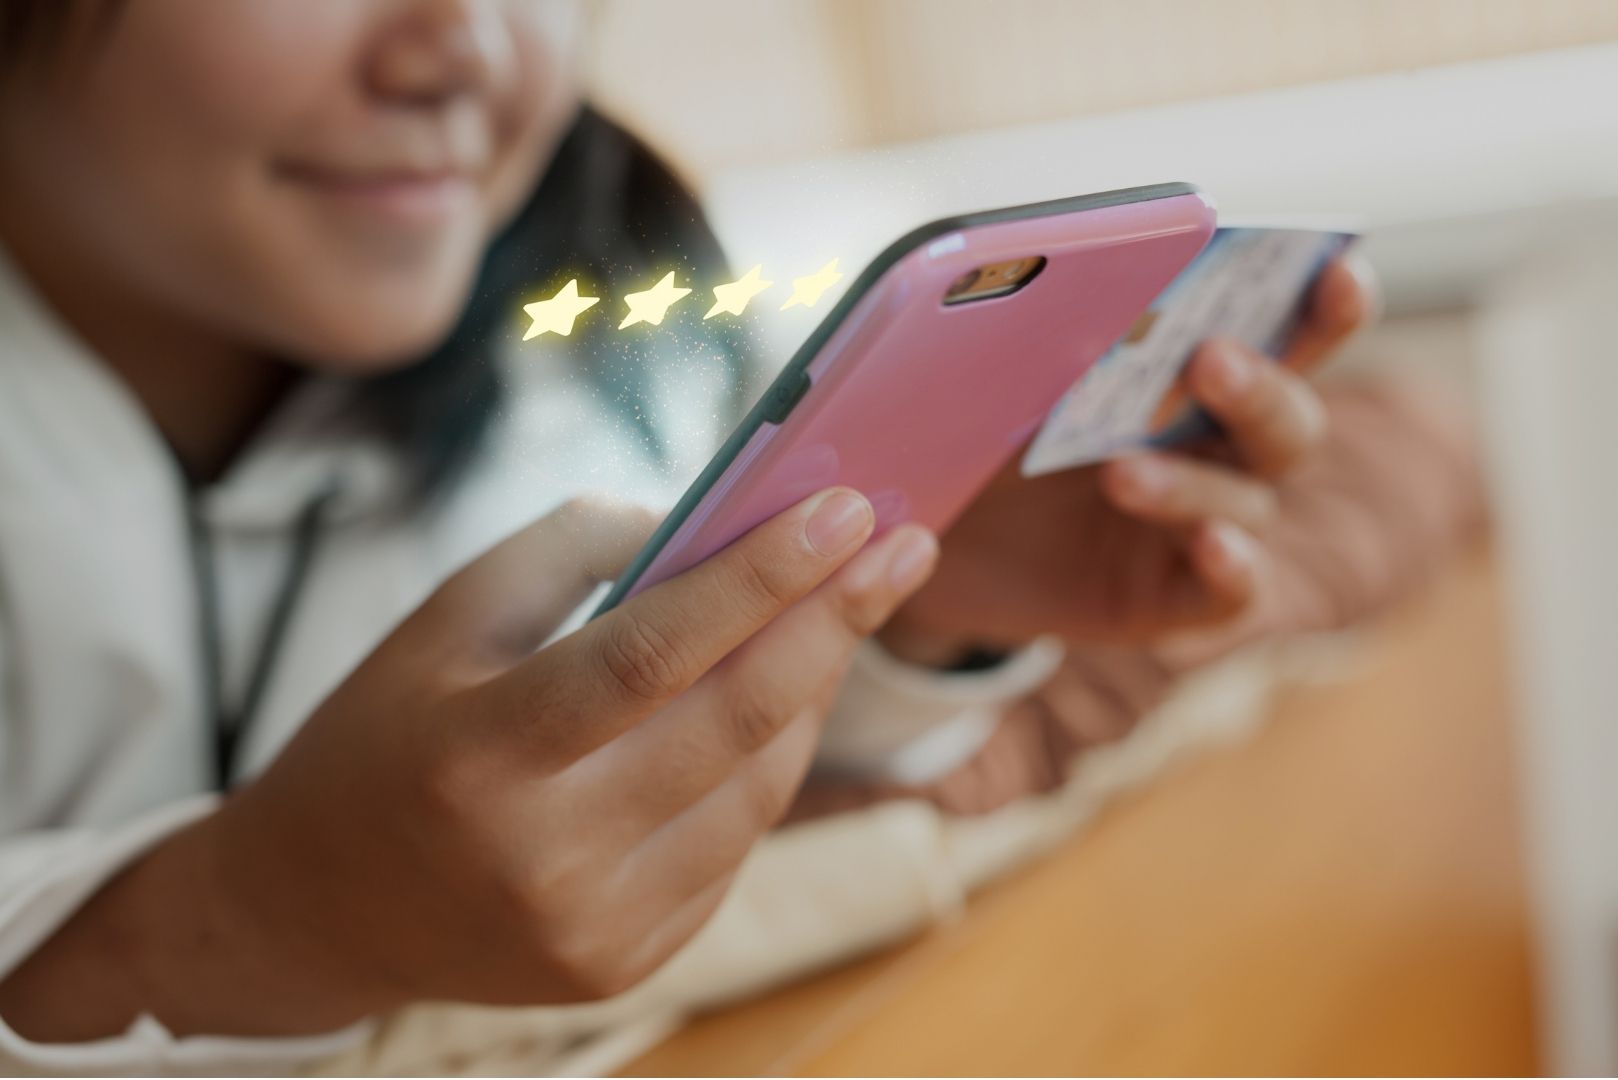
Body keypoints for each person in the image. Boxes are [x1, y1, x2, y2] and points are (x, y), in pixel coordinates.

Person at [0, 1, 1478, 1073]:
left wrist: (917, 610)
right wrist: (228, 922)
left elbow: (605, 791)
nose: (460, 47)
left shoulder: (570, 360)